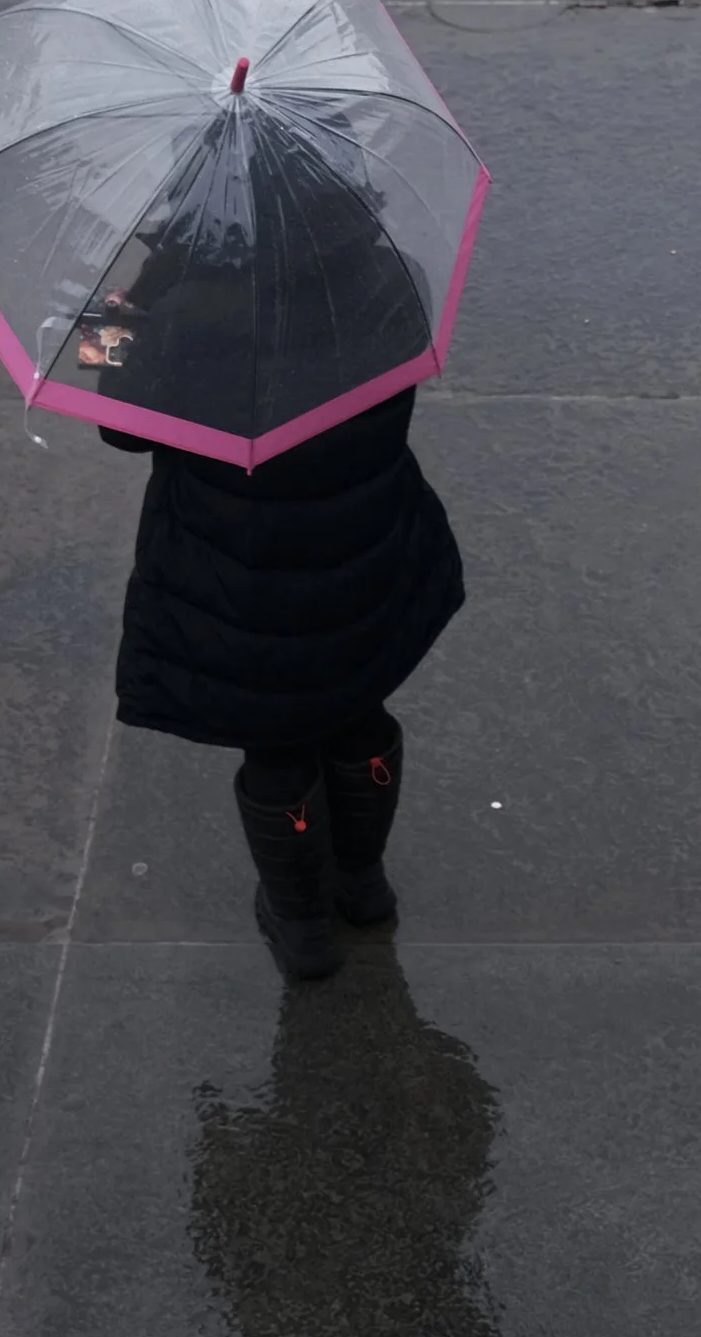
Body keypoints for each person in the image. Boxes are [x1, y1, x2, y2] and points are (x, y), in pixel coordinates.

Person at [97, 228, 461, 986]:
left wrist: (116, 321)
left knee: (277, 745)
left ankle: (302, 928)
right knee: (359, 710)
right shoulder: (389, 273)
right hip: (364, 547)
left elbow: (120, 426)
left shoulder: (189, 309)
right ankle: (364, 883)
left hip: (243, 577)